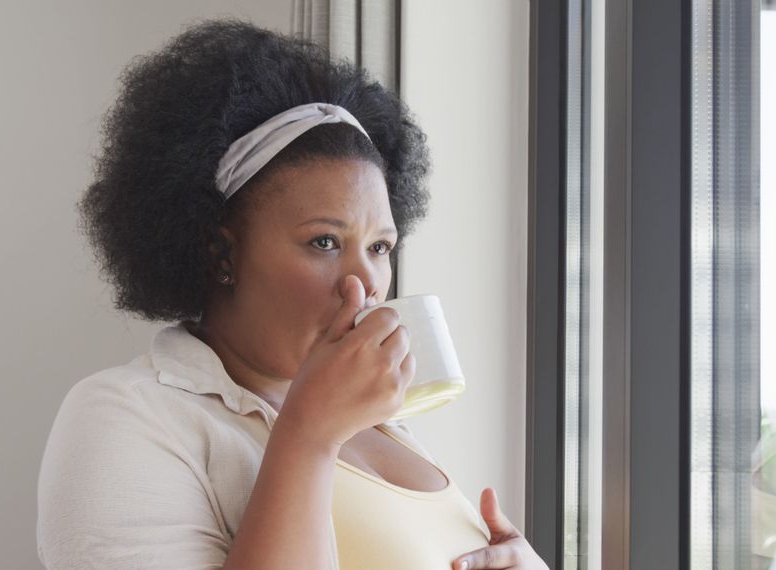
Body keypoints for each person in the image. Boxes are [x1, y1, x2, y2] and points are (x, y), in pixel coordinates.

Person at [36, 18, 549, 570]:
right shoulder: (128, 416)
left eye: (379, 247)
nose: (365, 284)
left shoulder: (382, 424)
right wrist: (307, 435)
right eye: (325, 242)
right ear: (221, 254)